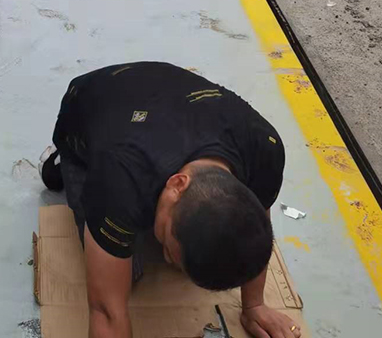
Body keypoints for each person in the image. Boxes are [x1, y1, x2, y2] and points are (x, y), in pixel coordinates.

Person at [40, 62, 301, 338]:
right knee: (127, 273)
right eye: (167, 245)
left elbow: (255, 222)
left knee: (204, 257)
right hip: (91, 104)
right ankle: (61, 159)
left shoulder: (264, 149)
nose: (165, 256)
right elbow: (106, 312)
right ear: (177, 185)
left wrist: (254, 305)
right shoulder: (119, 174)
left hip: (168, 98)